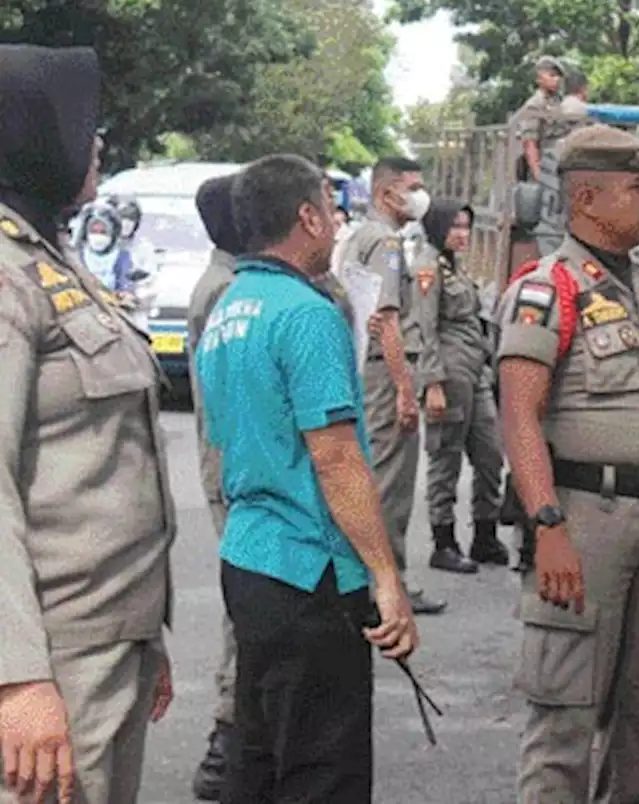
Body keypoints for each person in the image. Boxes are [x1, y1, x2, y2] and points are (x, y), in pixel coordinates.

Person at [496, 124, 639, 803]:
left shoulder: (635, 286)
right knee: (564, 723)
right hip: (583, 522)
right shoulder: (546, 288)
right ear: (587, 199)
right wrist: (548, 523)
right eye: (637, 189)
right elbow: (518, 415)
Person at [195, 153, 421, 804]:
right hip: (310, 575)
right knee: (323, 771)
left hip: (249, 560)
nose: (336, 218)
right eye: (330, 203)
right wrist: (385, 575)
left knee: (259, 759)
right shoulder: (307, 313)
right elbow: (336, 458)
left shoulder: (232, 306)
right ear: (308, 217)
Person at [0, 44, 175, 804]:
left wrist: (145, 636)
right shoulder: (7, 278)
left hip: (106, 643)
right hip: (51, 656)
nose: (96, 145)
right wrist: (18, 678)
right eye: (84, 126)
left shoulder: (52, 260)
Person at [346, 157, 460, 595]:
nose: (419, 195)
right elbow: (388, 319)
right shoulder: (385, 245)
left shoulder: (364, 238)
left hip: (370, 369)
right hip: (386, 371)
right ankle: (385, 583)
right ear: (386, 193)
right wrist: (404, 390)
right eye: (412, 187)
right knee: (389, 484)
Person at [186, 173, 244, 801]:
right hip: (231, 469)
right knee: (246, 604)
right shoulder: (227, 289)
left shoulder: (224, 282)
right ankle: (227, 738)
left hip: (226, 463)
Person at [416, 200, 509, 567]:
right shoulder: (427, 268)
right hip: (449, 374)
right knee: (446, 459)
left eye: (466, 226)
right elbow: (423, 329)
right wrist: (432, 383)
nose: (461, 233)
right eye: (454, 226)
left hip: (475, 372)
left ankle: (485, 535)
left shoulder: (454, 267)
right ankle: (444, 542)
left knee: (490, 455)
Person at [515, 55, 565, 182]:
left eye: (558, 76)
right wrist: (539, 176)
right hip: (544, 169)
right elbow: (529, 143)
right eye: (552, 75)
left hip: (561, 167)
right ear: (539, 78)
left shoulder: (560, 103)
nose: (557, 79)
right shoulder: (535, 105)